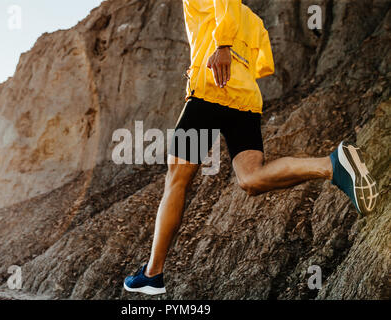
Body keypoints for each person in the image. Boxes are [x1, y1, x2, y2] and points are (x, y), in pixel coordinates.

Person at [123, 0, 378, 295]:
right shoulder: (254, 19)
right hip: (245, 100)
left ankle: (152, 273)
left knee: (176, 180)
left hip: (209, 89)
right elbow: (262, 63)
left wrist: (221, 46)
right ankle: (333, 165)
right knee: (251, 179)